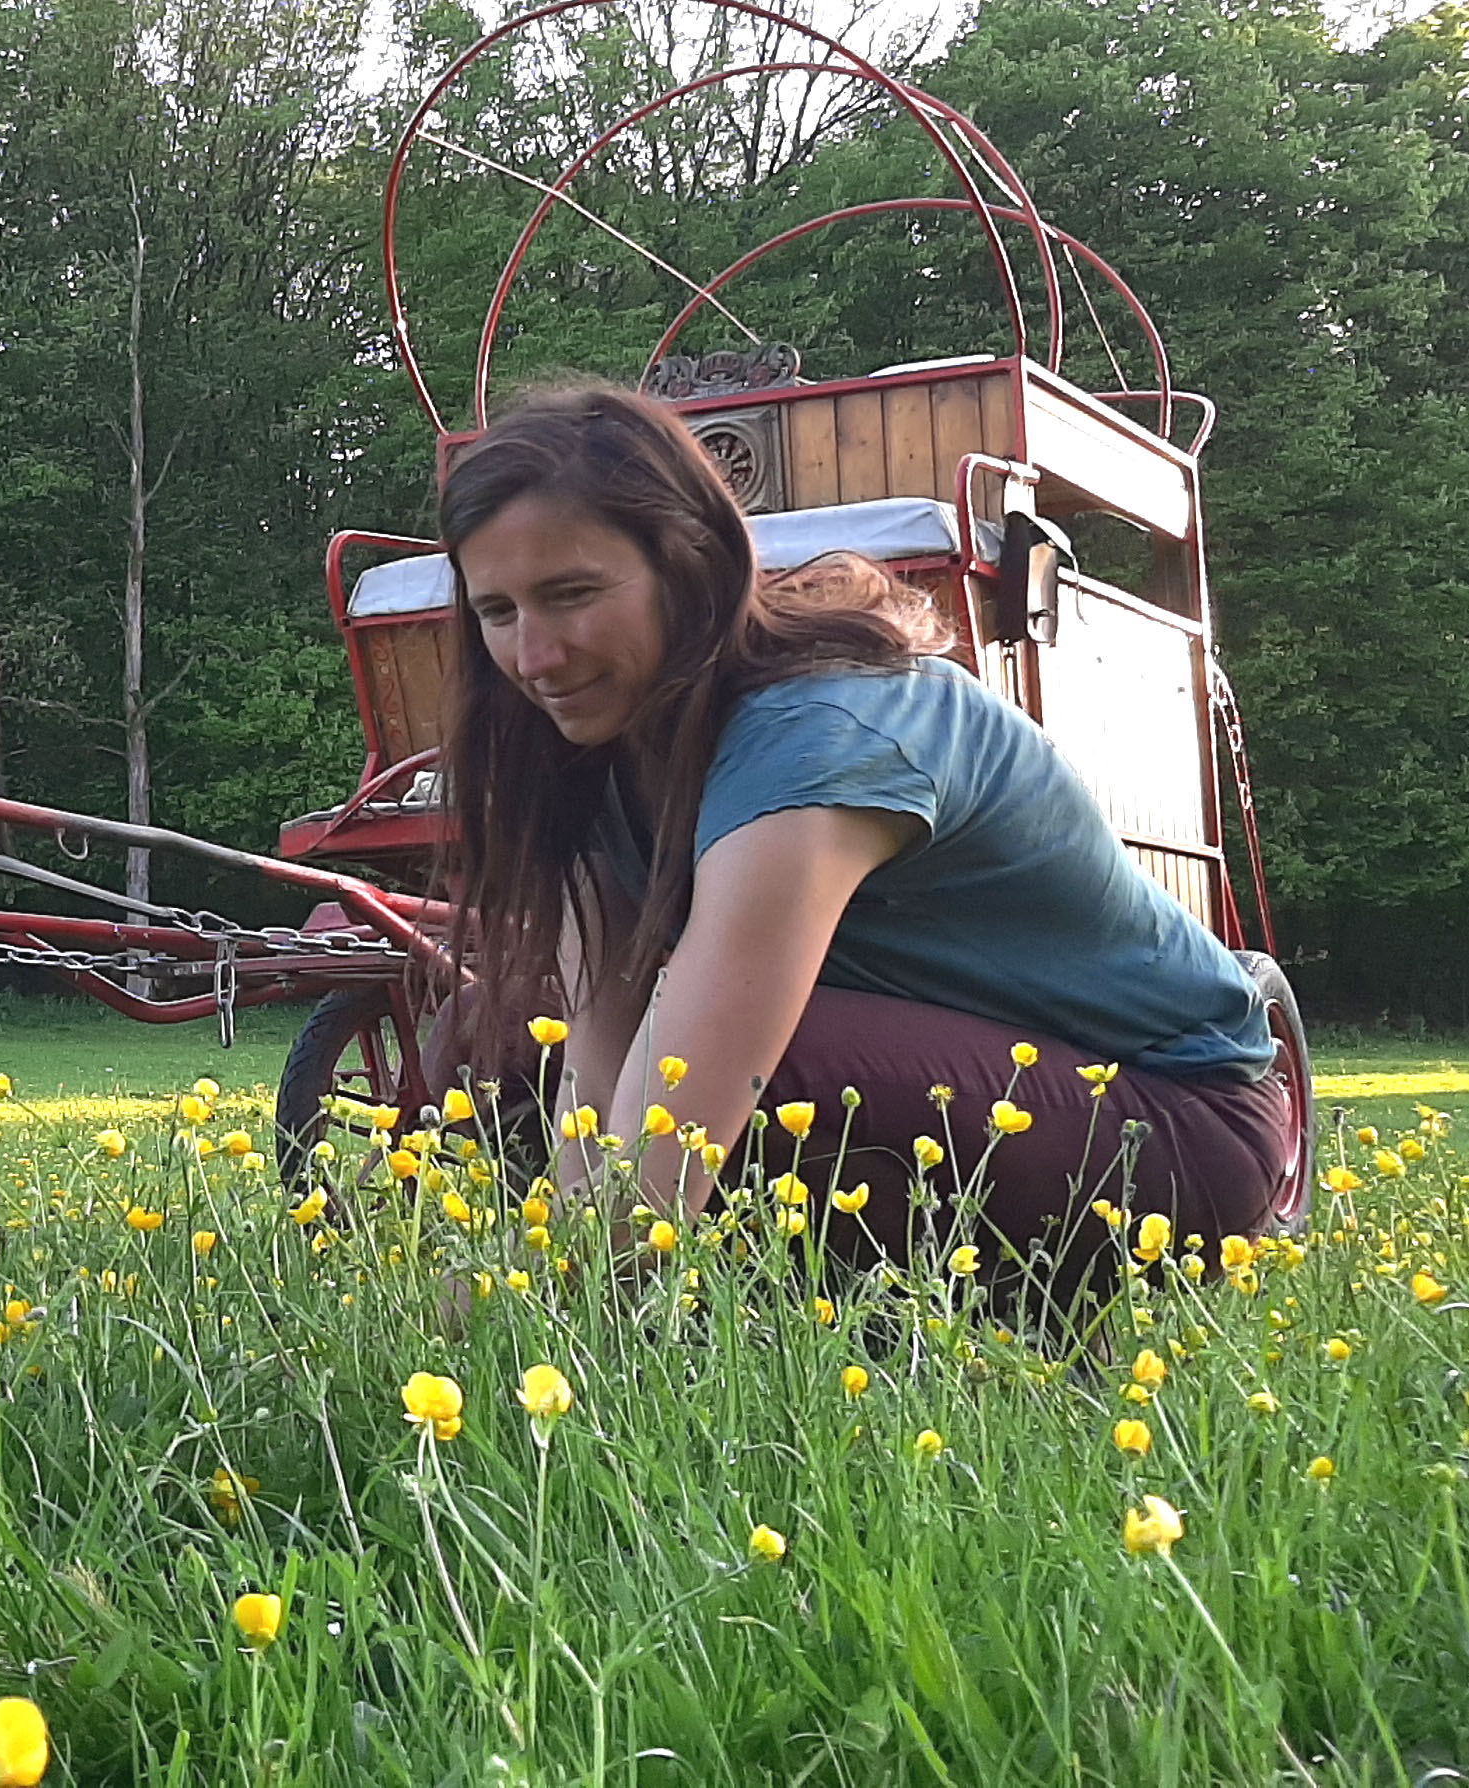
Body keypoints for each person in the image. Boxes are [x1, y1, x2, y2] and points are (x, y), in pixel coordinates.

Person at [438, 385, 1294, 1309]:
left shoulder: (821, 729)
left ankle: (975, 1327)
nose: (534, 657)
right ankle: (801, 1330)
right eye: (498, 612)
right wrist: (566, 1255)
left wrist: (505, 1315)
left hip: (1173, 1123)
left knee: (752, 1074)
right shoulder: (588, 759)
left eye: (572, 595)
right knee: (497, 1042)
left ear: (689, 566)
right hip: (979, 1092)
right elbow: (598, 1068)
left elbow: (674, 1127)